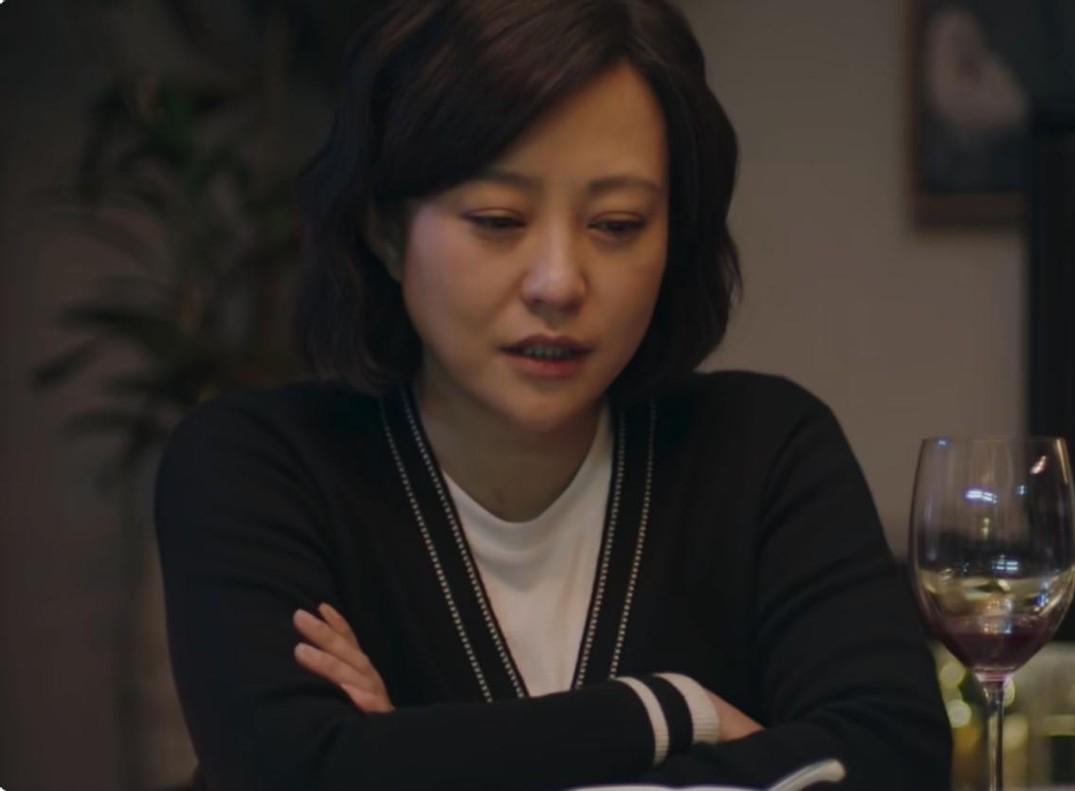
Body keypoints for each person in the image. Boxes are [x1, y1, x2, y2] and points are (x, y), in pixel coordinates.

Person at [153, 1, 952, 789]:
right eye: (500, 220)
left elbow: (894, 753)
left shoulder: (764, 450)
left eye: (617, 224)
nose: (560, 283)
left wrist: (409, 753)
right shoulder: (259, 466)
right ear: (386, 231)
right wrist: (671, 710)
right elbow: (291, 769)